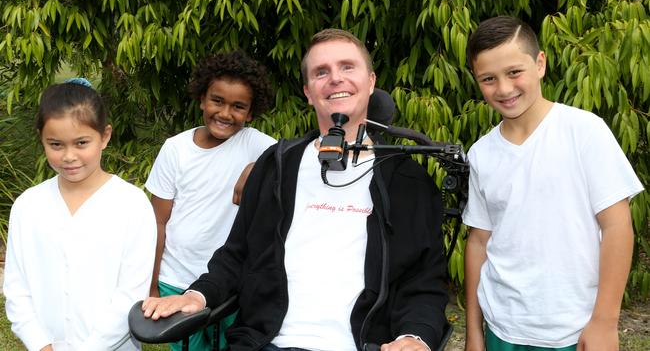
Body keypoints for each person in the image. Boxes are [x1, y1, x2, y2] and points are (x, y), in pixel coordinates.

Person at [141, 28, 449, 351]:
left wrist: (415, 337)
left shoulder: (406, 180)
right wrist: (197, 295)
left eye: (347, 67)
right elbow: (235, 256)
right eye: (321, 72)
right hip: (265, 343)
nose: (335, 79)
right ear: (307, 91)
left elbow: (423, 282)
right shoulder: (277, 166)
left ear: (370, 82)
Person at [462, 16, 644, 351]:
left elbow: (618, 226)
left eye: (514, 72)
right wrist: (474, 332)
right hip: (503, 328)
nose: (503, 88)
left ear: (540, 63)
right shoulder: (481, 153)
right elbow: (478, 242)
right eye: (488, 79)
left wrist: (605, 321)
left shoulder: (585, 131)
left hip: (574, 329)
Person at [3, 79, 157, 350]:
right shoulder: (28, 206)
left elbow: (131, 294)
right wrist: (41, 344)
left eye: (81, 142)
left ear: (105, 136)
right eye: (56, 144)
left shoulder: (131, 205)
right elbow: (17, 289)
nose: (69, 156)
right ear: (42, 139)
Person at [144, 50, 276, 350]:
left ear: (251, 112)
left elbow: (295, 158)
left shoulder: (257, 145)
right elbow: (157, 222)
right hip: (175, 279)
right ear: (202, 99)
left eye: (238, 106)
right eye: (218, 101)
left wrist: (258, 166)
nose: (226, 113)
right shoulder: (175, 150)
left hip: (230, 283)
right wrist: (151, 286)